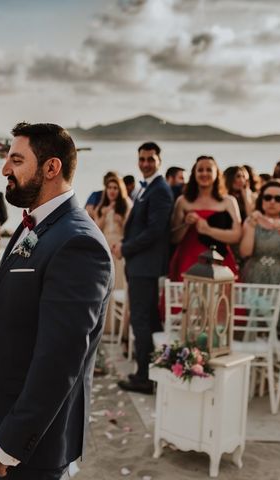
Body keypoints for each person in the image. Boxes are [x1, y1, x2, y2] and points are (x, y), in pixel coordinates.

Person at [0, 122, 113, 479]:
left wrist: (11, 441)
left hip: (35, 443)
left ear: (52, 167)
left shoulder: (78, 244)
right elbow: (13, 290)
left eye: (16, 160)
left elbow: (60, 359)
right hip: (7, 413)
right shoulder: (35, 223)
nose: (4, 169)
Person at [112, 142, 172, 394]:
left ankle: (144, 376)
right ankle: (158, 371)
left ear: (159, 160)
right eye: (142, 159)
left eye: (150, 159)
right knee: (148, 320)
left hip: (145, 266)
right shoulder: (145, 189)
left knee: (141, 321)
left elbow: (155, 232)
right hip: (140, 265)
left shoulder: (159, 190)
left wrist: (126, 247)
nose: (145, 163)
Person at [170, 156, 241, 280]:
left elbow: (237, 235)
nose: (204, 173)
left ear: (216, 173)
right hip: (188, 259)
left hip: (219, 261)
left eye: (209, 170)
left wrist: (208, 230)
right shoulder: (183, 201)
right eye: (200, 170)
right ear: (194, 173)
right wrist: (186, 224)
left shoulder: (228, 201)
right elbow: (174, 238)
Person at [240, 179, 280, 287]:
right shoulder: (251, 221)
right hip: (254, 277)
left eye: (278, 199)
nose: (272, 202)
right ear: (261, 199)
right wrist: (251, 227)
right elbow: (245, 253)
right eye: (267, 197)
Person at [92, 175, 131, 337]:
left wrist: (120, 220)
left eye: (115, 188)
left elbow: (129, 230)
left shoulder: (126, 205)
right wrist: (103, 214)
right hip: (106, 247)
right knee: (105, 285)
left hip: (119, 248)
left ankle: (119, 327)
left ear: (119, 190)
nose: (112, 191)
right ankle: (106, 327)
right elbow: (96, 227)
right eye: (109, 188)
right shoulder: (102, 206)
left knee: (119, 285)